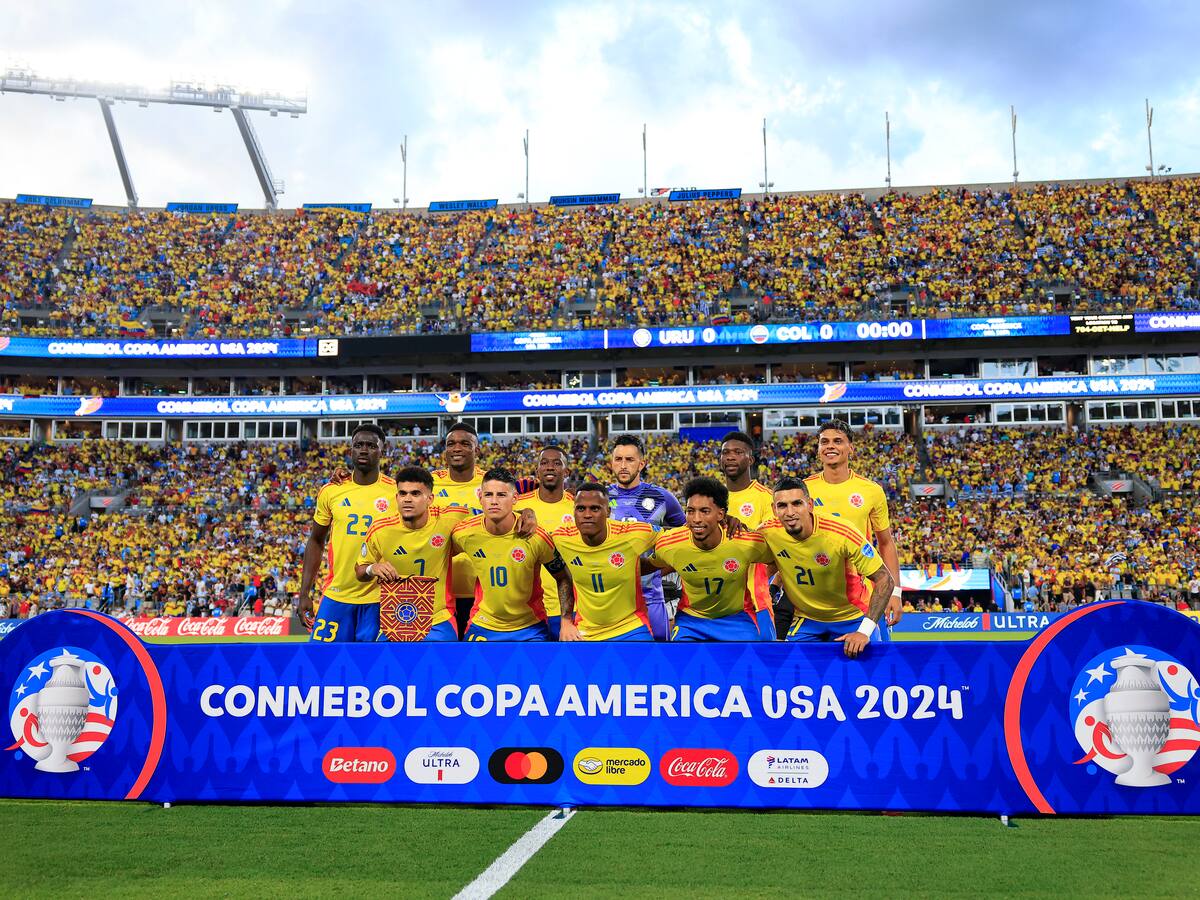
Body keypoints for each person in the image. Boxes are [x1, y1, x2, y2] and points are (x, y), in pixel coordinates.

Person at [758, 477, 895, 657]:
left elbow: (885, 579)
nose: (790, 512)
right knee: (792, 674)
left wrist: (864, 631)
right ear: (774, 509)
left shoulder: (842, 532)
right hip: (806, 619)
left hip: (851, 616)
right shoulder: (767, 532)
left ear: (810, 505)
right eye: (782, 505)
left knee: (869, 675)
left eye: (797, 503)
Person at [800, 420, 903, 639]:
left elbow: (885, 543)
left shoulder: (871, 491)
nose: (830, 446)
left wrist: (895, 592)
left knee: (872, 667)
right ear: (818, 450)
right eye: (824, 442)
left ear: (851, 448)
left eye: (838, 441)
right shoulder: (803, 489)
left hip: (861, 597)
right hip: (813, 598)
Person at [298, 424, 397, 642]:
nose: (363, 450)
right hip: (338, 594)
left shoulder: (397, 492)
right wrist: (304, 592)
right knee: (321, 668)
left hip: (381, 597)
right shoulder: (331, 490)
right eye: (358, 445)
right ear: (350, 450)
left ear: (383, 451)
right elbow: (316, 540)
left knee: (375, 672)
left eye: (371, 445)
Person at [643, 477, 774, 642]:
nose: (696, 519)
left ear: (721, 514)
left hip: (736, 620)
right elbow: (648, 566)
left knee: (749, 664)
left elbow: (776, 559)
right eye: (690, 511)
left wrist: (770, 585)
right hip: (691, 621)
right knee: (679, 663)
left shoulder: (746, 542)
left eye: (704, 511)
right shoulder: (671, 544)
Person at [355, 466, 472, 642]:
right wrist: (373, 568)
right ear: (396, 497)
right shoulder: (380, 529)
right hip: (394, 621)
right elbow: (359, 571)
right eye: (402, 493)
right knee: (382, 667)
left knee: (442, 667)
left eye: (415, 494)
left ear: (430, 499)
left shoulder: (450, 518)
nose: (407, 499)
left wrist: (527, 514)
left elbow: (493, 520)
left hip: (438, 620)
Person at [451, 468, 561, 641]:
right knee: (469, 667)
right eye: (488, 495)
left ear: (515, 498)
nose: (494, 501)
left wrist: (568, 620)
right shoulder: (464, 533)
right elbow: (437, 555)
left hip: (529, 626)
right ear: (480, 498)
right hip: (483, 623)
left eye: (502, 495)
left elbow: (563, 577)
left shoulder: (535, 536)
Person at [551, 483, 656, 642]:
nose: (587, 514)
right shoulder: (562, 537)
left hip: (631, 627)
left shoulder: (633, 534)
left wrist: (655, 565)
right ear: (573, 512)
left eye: (595, 509)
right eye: (580, 509)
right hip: (586, 631)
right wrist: (566, 622)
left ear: (608, 512)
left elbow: (674, 540)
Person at [608, 434, 685, 640]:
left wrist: (662, 567)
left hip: (651, 595)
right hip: (609, 599)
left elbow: (687, 535)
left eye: (630, 459)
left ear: (642, 463)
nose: (623, 465)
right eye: (618, 459)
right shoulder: (600, 498)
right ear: (611, 463)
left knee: (658, 663)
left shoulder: (662, 497)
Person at [718, 430, 776, 640]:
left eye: (738, 452)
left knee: (762, 667)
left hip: (754, 602)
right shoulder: (710, 500)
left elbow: (777, 551)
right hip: (713, 601)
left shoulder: (766, 499)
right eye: (725, 453)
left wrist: (760, 581)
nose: (730, 457)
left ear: (750, 459)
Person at [514, 445, 575, 640]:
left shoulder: (579, 507)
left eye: (557, 463)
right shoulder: (517, 505)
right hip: (527, 611)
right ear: (537, 471)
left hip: (569, 608)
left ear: (566, 471)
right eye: (544, 463)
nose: (550, 467)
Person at [432, 422, 487, 639]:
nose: (457, 448)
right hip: (437, 593)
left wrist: (528, 511)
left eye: (465, 443)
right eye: (451, 443)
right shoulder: (430, 482)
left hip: (482, 589)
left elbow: (526, 497)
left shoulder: (491, 482)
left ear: (477, 449)